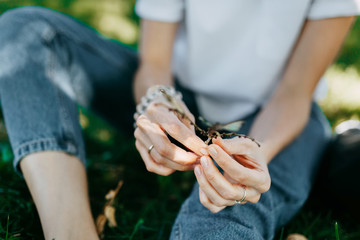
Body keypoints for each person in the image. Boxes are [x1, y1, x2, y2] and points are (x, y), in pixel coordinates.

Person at [0, 1, 358, 239]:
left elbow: (293, 94)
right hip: (180, 94)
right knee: (25, 31)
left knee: (221, 219)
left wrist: (256, 156)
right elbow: (154, 61)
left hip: (276, 121)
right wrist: (157, 101)